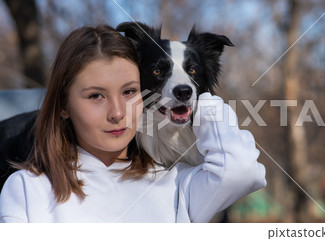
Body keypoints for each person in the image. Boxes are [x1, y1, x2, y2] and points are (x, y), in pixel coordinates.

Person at [0, 24, 266, 222]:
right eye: (96, 96)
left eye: (129, 92)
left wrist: (203, 99)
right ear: (62, 106)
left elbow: (240, 170)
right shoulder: (27, 188)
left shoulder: (179, 184)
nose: (117, 112)